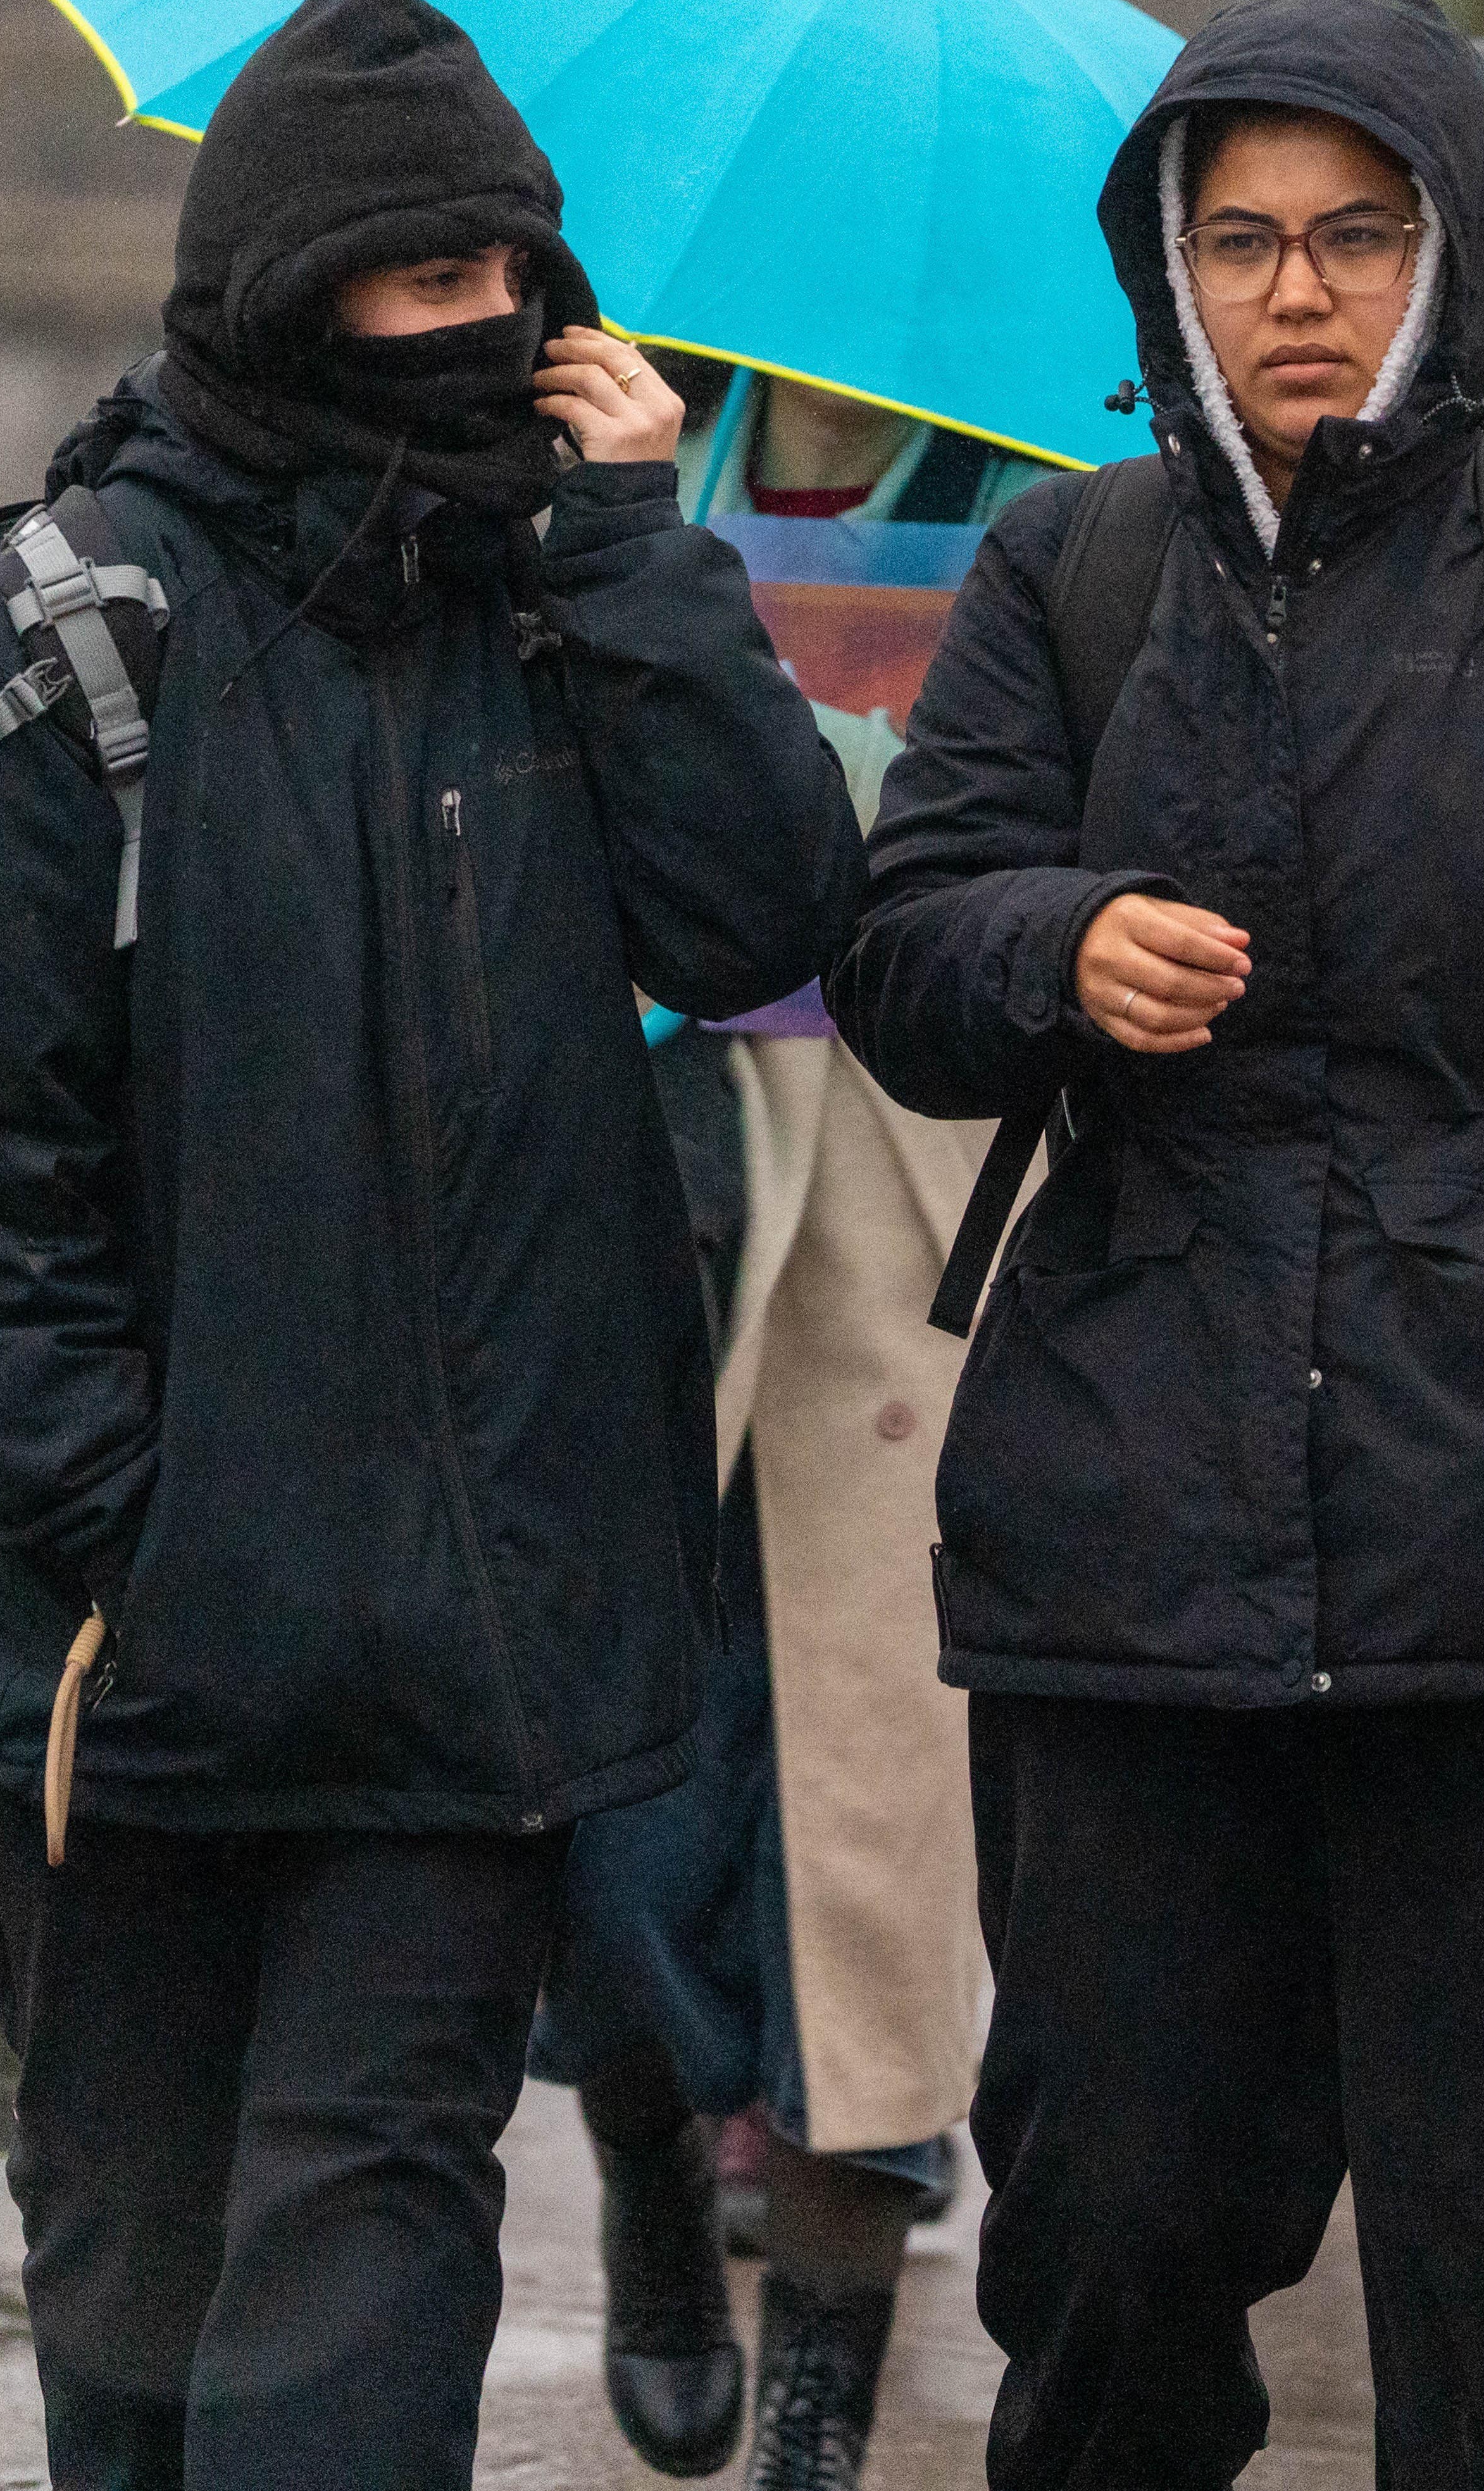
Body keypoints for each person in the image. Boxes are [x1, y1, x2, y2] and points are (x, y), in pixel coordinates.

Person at [826, 0, 1484, 2491]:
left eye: (1354, 235)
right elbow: (905, 951)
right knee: (1120, 2208)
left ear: (1449, 255)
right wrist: (1057, 939)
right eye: (1240, 240)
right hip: (1127, 1510)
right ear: (1165, 273)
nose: (1295, 291)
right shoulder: (1062, 568)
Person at [0, 0, 864, 2491]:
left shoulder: (563, 595)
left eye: (512, 278)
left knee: (370, 2248)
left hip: (459, 1641)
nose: (484, 331)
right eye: (421, 287)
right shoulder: (63, 647)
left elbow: (761, 916)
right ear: (289, 297)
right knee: (138, 2280)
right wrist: (129, 1536)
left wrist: (646, 555)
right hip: (139, 1658)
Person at [544, 362, 1042, 2491]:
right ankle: (651, 2170)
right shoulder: (617, 441)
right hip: (657, 1152)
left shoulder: (1041, 500)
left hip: (915, 1190)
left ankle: (824, 2390)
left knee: (875, 1825)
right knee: (615, 1794)